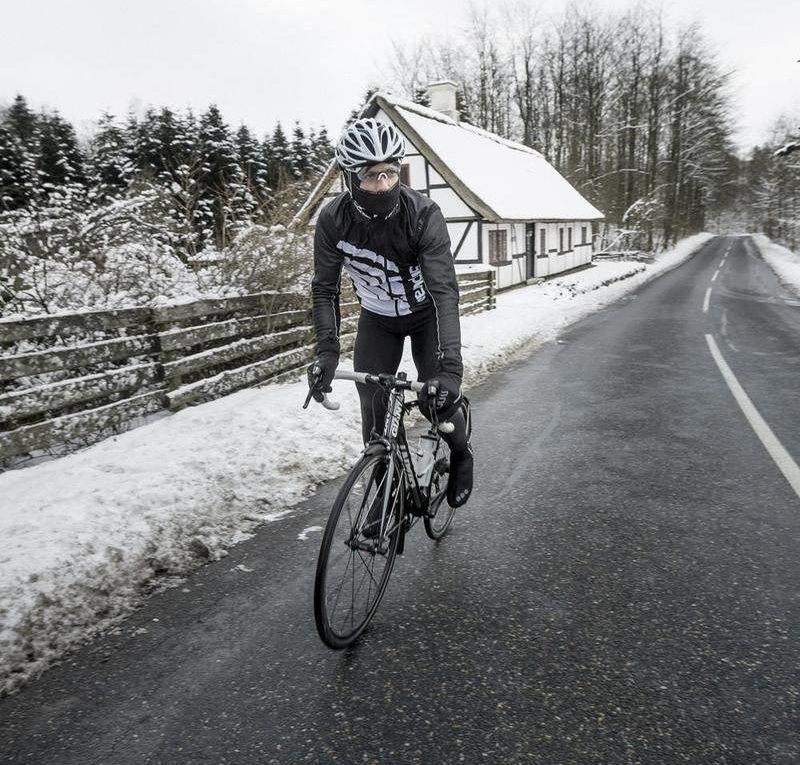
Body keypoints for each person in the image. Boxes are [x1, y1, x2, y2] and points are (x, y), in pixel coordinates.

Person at [307, 117, 473, 508]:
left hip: (425, 314)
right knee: (375, 413)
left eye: (390, 173)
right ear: (349, 178)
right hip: (377, 318)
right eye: (370, 176)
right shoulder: (333, 221)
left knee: (439, 400)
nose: (382, 185)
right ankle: (386, 490)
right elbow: (324, 289)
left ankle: (462, 453)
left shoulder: (422, 214)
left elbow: (445, 292)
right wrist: (326, 351)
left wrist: (451, 369)